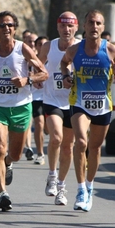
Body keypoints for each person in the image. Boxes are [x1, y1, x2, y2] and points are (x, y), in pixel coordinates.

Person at [0, 11, 48, 211]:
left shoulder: (23, 50)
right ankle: (3, 193)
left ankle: (9, 162)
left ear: (15, 28)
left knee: (15, 154)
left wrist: (27, 80)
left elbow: (44, 73)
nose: (7, 28)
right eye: (3, 25)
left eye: (10, 25)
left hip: (21, 106)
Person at [60, 9, 115, 211]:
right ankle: (80, 188)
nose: (94, 27)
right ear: (84, 26)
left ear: (103, 27)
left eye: (98, 23)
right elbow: (64, 63)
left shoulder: (111, 50)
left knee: (95, 148)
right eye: (91, 22)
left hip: (102, 105)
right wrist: (66, 76)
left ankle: (89, 185)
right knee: (81, 142)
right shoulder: (75, 50)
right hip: (79, 102)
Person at [39, 11, 79, 206]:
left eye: (70, 25)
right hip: (52, 99)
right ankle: (52, 176)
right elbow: (37, 66)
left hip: (73, 103)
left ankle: (62, 188)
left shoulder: (82, 47)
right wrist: (38, 78)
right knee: (56, 137)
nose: (66, 29)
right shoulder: (49, 46)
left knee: (68, 146)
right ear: (58, 27)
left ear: (76, 28)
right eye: (63, 25)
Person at [31, 35, 49, 165]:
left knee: (49, 128)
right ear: (36, 47)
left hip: (51, 98)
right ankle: (40, 153)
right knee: (39, 124)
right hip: (36, 97)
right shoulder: (31, 61)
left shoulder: (54, 59)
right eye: (40, 44)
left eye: (45, 44)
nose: (42, 47)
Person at [23, 32, 39, 161]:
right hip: (25, 96)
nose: (32, 44)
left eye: (34, 41)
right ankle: (28, 147)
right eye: (29, 41)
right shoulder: (21, 56)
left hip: (40, 96)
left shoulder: (40, 57)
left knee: (42, 127)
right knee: (28, 123)